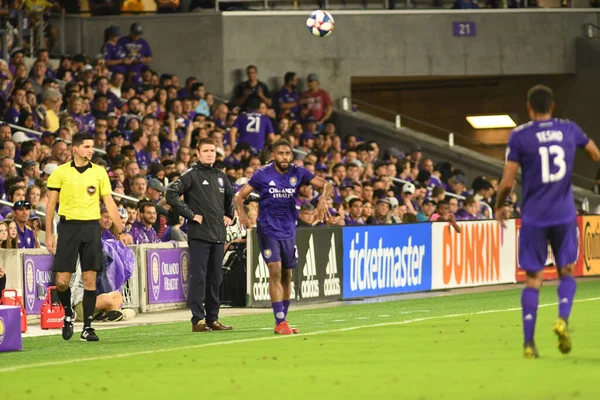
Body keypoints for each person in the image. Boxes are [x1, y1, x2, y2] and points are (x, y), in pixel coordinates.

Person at [495, 85, 600, 359]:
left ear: (529, 108)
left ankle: (529, 345)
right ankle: (562, 319)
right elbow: (595, 154)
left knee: (533, 279)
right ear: (552, 106)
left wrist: (498, 205)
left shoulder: (520, 136)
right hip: (564, 213)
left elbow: (507, 182)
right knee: (567, 270)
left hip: (534, 216)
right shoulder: (569, 129)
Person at [235, 139, 331, 335]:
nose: (285, 157)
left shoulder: (298, 172)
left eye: (288, 153)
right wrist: (243, 215)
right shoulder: (262, 174)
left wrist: (322, 198)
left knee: (287, 274)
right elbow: (239, 196)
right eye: (280, 153)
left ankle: (284, 321)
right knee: (275, 270)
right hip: (268, 228)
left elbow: (326, 185)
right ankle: (279, 321)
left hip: (289, 229)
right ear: (273, 155)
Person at [45, 133, 124, 342]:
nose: (90, 150)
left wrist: (121, 230)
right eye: (87, 146)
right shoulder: (60, 173)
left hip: (91, 228)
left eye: (92, 146)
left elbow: (110, 203)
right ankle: (68, 314)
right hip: (68, 227)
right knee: (62, 282)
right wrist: (49, 234)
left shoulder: (99, 173)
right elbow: (51, 206)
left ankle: (87, 327)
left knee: (89, 280)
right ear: (75, 149)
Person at [166, 137, 235, 333]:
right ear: (198, 154)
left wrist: (230, 216)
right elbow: (171, 193)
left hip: (218, 235)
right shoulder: (191, 174)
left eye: (212, 150)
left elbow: (230, 197)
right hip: (199, 235)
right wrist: (190, 215)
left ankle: (213, 318)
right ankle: (198, 320)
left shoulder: (221, 176)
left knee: (215, 279)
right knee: (199, 278)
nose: (210, 154)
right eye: (206, 151)